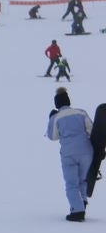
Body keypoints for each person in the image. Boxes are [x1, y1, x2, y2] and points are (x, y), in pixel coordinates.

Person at [46, 87, 93, 221]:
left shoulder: (56, 117)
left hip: (68, 154)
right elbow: (92, 130)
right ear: (68, 101)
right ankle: (82, 203)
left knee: (72, 183)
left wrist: (51, 119)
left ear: (57, 104)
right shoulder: (81, 113)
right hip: (86, 151)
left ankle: (77, 211)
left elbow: (53, 136)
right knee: (83, 180)